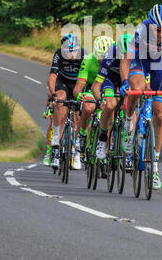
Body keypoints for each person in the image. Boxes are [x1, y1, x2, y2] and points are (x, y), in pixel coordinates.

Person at [120, 3, 162, 190]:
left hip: (161, 69)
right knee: (137, 87)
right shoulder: (141, 30)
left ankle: (155, 165)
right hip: (140, 63)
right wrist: (125, 82)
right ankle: (128, 120)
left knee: (159, 114)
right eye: (158, 30)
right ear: (150, 25)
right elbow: (125, 60)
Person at [73, 35, 114, 170]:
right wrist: (80, 96)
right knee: (88, 107)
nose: (103, 61)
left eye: (105, 58)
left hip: (108, 87)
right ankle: (82, 135)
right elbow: (78, 87)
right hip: (91, 88)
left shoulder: (114, 59)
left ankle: (108, 149)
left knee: (110, 111)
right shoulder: (89, 60)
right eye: (100, 58)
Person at [92, 34, 134, 162]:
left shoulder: (138, 54)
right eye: (122, 57)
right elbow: (96, 85)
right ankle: (103, 138)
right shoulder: (110, 54)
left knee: (131, 108)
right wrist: (100, 100)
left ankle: (129, 141)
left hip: (127, 80)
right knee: (110, 105)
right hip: (109, 79)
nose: (125, 61)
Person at [48, 34, 86, 169]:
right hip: (63, 82)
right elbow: (52, 77)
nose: (72, 54)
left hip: (78, 84)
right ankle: (56, 139)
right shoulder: (58, 54)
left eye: (75, 50)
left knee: (80, 116)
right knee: (60, 101)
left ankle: (77, 154)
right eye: (69, 51)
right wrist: (52, 94)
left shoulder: (84, 55)